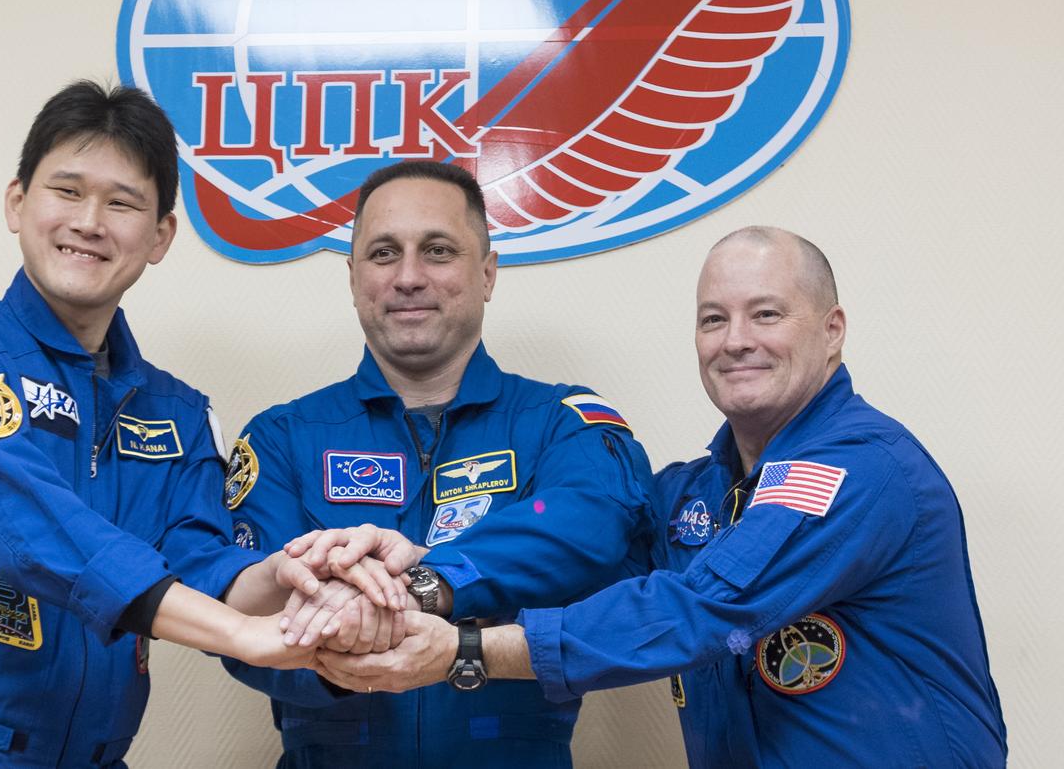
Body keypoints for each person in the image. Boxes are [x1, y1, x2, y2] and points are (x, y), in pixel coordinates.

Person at [0, 82, 393, 769]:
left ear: (160, 235)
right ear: (17, 202)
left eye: (123, 202)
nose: (90, 220)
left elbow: (201, 562)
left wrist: (286, 574)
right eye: (67, 191)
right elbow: (32, 527)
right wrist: (240, 635)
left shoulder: (178, 412)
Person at [319, 227, 1007, 768]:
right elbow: (576, 559)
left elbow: (705, 608)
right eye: (714, 319)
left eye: (765, 313)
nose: (736, 341)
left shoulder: (861, 468)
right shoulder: (692, 496)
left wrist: (465, 648)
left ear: (832, 330)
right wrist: (424, 571)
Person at [223, 160, 655, 767]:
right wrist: (344, 655)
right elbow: (242, 621)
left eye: (437, 250)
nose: (408, 277)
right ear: (353, 278)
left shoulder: (561, 422)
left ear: (486, 273)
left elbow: (589, 526)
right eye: (382, 253)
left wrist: (428, 583)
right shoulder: (281, 439)